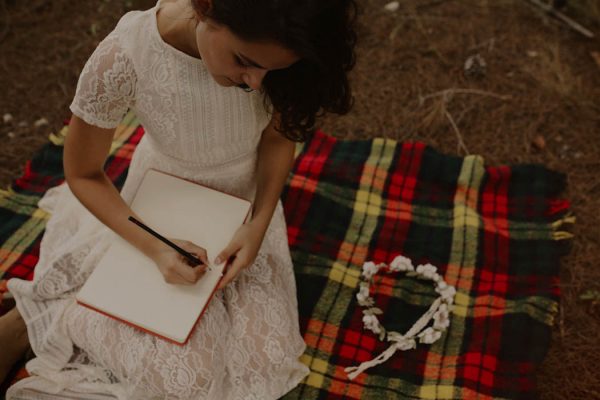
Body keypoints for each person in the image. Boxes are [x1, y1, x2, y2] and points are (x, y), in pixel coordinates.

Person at [0, 0, 357, 398]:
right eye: (244, 61)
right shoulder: (126, 55)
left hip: (244, 210)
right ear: (205, 7)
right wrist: (155, 247)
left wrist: (258, 222)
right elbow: (83, 174)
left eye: (270, 71)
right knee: (189, 376)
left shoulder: (274, 46)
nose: (255, 82)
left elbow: (277, 138)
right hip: (158, 211)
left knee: (262, 357)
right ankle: (55, 315)